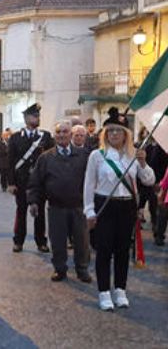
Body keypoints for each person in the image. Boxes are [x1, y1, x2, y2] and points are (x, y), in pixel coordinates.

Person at [84, 108, 155, 311]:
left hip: (126, 207)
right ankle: (104, 292)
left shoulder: (133, 156)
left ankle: (120, 289)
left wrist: (142, 162)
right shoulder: (97, 156)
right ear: (105, 134)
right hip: (105, 205)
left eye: (119, 130)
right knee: (104, 250)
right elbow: (88, 185)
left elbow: (149, 180)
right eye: (111, 130)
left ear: (126, 134)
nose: (115, 134)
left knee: (123, 251)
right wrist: (89, 211)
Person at [27, 121, 92, 283]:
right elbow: (35, 182)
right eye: (58, 132)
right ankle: (60, 268)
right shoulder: (45, 158)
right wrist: (33, 201)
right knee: (57, 241)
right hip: (56, 207)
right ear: (54, 135)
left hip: (79, 207)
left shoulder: (84, 156)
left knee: (82, 241)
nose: (61, 134)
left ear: (71, 134)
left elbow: (92, 182)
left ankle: (82, 269)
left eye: (65, 131)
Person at [7, 103, 54, 253]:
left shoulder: (45, 137)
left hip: (39, 183)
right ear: (26, 118)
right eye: (34, 115)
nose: (37, 118)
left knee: (39, 213)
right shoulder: (15, 138)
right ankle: (18, 241)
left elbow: (51, 160)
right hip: (21, 182)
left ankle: (41, 241)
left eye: (38, 116)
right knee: (21, 212)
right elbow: (10, 162)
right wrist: (11, 183)